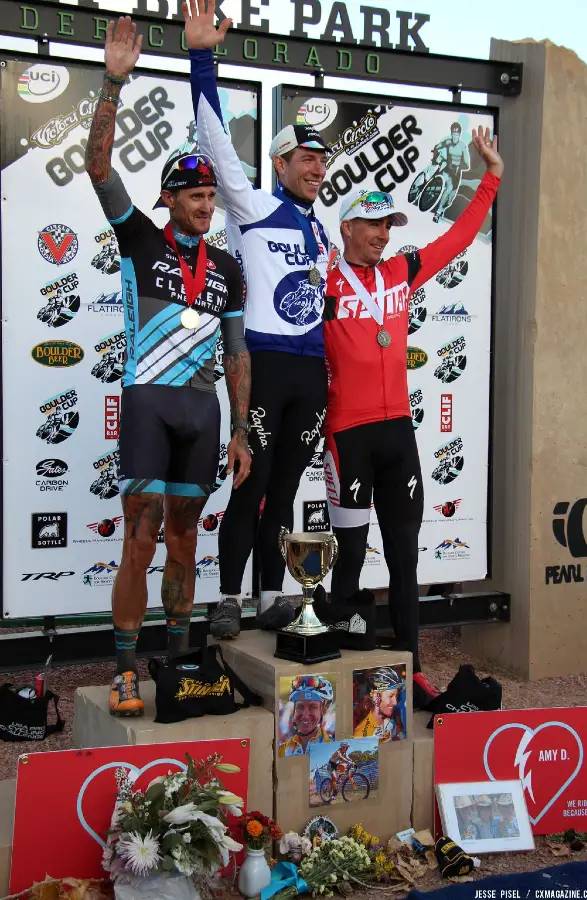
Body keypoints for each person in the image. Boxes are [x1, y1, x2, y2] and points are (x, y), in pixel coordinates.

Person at [84, 16, 251, 716]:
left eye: (212, 197)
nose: (207, 207)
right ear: (170, 201)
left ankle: (179, 665)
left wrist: (241, 430)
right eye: (195, 197)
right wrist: (114, 84)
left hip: (203, 409)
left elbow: (237, 353)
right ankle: (125, 669)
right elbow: (99, 168)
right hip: (150, 403)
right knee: (141, 534)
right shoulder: (139, 238)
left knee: (185, 536)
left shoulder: (229, 269)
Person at [321, 126, 503, 710]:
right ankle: (339, 670)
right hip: (347, 434)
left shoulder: (400, 272)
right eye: (372, 225)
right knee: (348, 557)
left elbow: (457, 239)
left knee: (405, 554)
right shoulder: (321, 280)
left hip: (398, 431)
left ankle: (411, 668)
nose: (382, 235)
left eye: (388, 226)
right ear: (347, 227)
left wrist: (490, 177)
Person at [184, 0, 330, 638]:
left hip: (311, 372)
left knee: (289, 487)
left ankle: (273, 596)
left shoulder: (323, 231)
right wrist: (201, 58)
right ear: (279, 163)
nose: (315, 168)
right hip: (264, 365)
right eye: (304, 158)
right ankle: (227, 599)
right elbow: (214, 138)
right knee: (253, 480)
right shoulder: (250, 207)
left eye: (321, 161)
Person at [278, 675, 334, 756]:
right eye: (300, 707)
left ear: (324, 708)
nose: (305, 715)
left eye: (312, 707)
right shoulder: (282, 751)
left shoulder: (334, 750)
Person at [431, 122, 471, 223]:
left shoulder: (463, 146)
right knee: (448, 188)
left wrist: (458, 167)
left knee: (450, 199)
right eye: (453, 134)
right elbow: (438, 147)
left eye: (457, 134)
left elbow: (467, 164)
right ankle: (437, 212)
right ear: (451, 133)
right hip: (447, 169)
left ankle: (442, 208)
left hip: (456, 174)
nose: (455, 136)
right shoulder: (447, 142)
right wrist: (435, 153)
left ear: (459, 135)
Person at [353, 667, 406, 742]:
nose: (395, 702)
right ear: (375, 697)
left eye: (396, 696)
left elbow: (395, 736)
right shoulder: (361, 735)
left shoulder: (389, 721)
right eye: (390, 696)